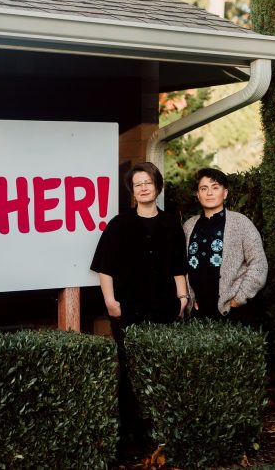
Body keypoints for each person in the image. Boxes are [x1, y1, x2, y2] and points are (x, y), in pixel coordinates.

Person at [90, 161, 188, 455]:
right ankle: (129, 438)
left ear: (157, 186)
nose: (144, 187)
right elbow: (104, 268)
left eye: (148, 182)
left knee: (160, 371)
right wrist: (110, 302)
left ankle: (160, 435)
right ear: (132, 192)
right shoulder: (119, 224)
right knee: (130, 373)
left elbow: (178, 265)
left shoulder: (171, 223)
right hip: (128, 309)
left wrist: (182, 299)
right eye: (138, 184)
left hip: (164, 308)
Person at [183, 168, 267, 323]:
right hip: (198, 313)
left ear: (225, 193)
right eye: (204, 188)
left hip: (232, 312)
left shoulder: (241, 223)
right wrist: (189, 298)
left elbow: (259, 264)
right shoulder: (188, 226)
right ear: (198, 194)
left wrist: (239, 299)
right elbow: (181, 266)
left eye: (215, 188)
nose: (209, 193)